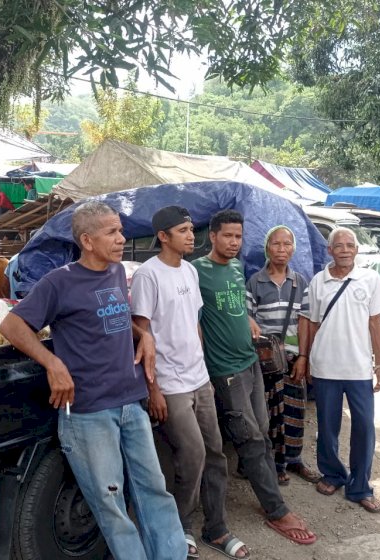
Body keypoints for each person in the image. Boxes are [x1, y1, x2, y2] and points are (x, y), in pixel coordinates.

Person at [0, 201, 186, 560]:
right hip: (89, 412)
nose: (121, 238)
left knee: (155, 492)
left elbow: (109, 320)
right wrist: (52, 362)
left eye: (120, 229)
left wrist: (141, 334)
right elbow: (11, 325)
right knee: (111, 503)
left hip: (130, 404)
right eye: (112, 232)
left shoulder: (115, 273)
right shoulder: (59, 281)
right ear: (87, 240)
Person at [131, 206, 249, 559]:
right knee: (191, 454)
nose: (190, 236)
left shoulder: (188, 271)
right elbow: (142, 332)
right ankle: (179, 526)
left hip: (199, 379)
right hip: (170, 383)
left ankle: (216, 528)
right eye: (182, 230)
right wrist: (153, 387)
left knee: (215, 453)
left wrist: (205, 373)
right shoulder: (148, 276)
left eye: (190, 229)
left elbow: (193, 323)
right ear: (163, 237)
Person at [192, 209, 316, 546]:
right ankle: (276, 509)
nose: (234, 242)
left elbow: (237, 307)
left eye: (238, 236)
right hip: (225, 370)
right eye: (228, 236)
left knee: (262, 431)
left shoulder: (235, 268)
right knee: (249, 438)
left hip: (251, 363)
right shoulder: (196, 271)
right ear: (213, 236)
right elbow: (194, 320)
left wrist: (247, 321)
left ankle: (265, 486)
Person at [305, 227, 380, 513]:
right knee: (328, 427)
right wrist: (305, 357)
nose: (344, 249)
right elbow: (311, 323)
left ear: (356, 249)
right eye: (338, 245)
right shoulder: (319, 281)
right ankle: (332, 474)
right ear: (329, 251)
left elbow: (376, 323)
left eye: (349, 245)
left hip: (358, 369)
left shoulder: (370, 278)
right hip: (325, 366)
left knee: (364, 428)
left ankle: (360, 487)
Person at [246, 225, 320, 486]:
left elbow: (305, 321)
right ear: (267, 248)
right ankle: (275, 463)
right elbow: (248, 319)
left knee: (295, 410)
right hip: (266, 361)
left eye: (287, 244)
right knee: (270, 412)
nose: (281, 249)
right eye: (276, 244)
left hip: (292, 358)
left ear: (293, 249)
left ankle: (295, 459)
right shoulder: (255, 281)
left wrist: (303, 356)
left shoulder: (300, 282)